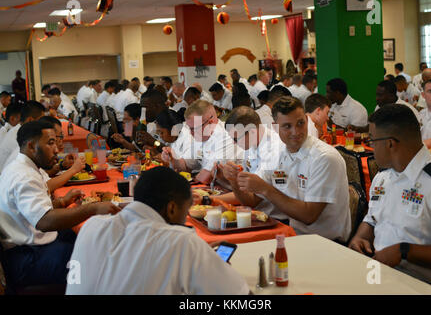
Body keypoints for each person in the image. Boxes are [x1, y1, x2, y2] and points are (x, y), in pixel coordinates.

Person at [66, 167, 249, 294]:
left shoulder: (92, 226)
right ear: (171, 208)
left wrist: (196, 258)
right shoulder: (182, 243)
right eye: (185, 212)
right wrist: (199, 258)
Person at [0, 121, 120, 290]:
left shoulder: (22, 167)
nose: (57, 149)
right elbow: (45, 221)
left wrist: (64, 202)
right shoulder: (23, 176)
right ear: (32, 146)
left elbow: (30, 210)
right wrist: (92, 208)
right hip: (27, 258)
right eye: (50, 143)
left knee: (83, 236)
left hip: (29, 244)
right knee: (95, 259)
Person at [348, 104, 431, 288]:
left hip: (423, 284)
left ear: (390, 143)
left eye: (372, 140)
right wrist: (360, 238)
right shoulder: (383, 177)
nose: (370, 146)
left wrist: (404, 251)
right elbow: (372, 219)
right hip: (380, 275)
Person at [227, 96, 351, 242]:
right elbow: (252, 202)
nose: (296, 132)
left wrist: (265, 189)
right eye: (287, 126)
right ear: (275, 127)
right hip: (293, 235)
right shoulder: (279, 153)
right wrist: (234, 181)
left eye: (300, 123)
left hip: (326, 242)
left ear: (306, 119)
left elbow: (308, 216)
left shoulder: (324, 158)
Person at [214, 106, 288, 221]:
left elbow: (251, 200)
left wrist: (232, 180)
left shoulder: (273, 151)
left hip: (275, 220)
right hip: (257, 213)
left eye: (236, 139)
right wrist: (226, 178)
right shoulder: (252, 142)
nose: (234, 143)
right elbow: (244, 189)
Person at [162, 100, 242, 184]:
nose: (190, 133)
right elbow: (185, 167)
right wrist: (173, 157)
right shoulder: (201, 136)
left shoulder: (226, 136)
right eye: (189, 128)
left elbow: (206, 178)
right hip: (214, 187)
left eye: (194, 128)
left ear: (210, 123)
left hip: (234, 191)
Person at [0, 100, 45, 174]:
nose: (42, 124)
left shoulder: (19, 130)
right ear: (30, 120)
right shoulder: (19, 136)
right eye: (41, 120)